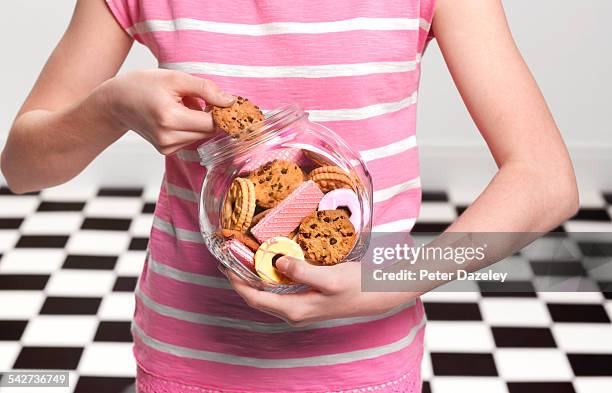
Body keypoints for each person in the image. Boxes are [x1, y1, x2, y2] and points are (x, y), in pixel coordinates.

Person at [0, 0, 578, 392]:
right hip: (191, 358)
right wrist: (110, 107)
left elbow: (545, 179)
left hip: (361, 364)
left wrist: (391, 280)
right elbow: (23, 169)